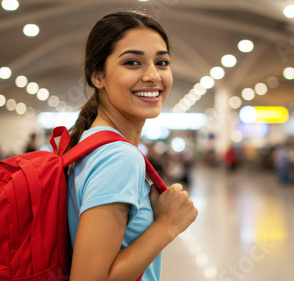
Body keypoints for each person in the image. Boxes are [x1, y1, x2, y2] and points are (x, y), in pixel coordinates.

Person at [66, 11, 198, 281]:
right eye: (133, 62)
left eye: (161, 62)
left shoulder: (89, 142)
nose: (153, 76)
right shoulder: (118, 157)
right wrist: (168, 224)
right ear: (98, 76)